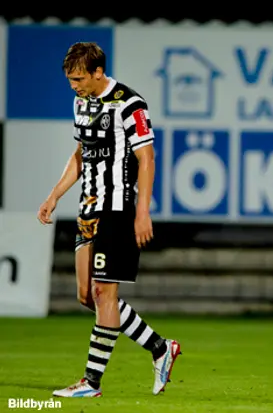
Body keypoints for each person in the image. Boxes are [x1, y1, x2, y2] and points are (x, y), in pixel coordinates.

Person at [37, 42, 182, 398]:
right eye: (70, 79)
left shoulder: (129, 104)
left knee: (104, 293)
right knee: (87, 296)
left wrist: (142, 211)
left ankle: (91, 383)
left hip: (117, 209)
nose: (74, 85)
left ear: (98, 71)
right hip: (88, 209)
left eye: (80, 78)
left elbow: (146, 159)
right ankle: (161, 348)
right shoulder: (81, 102)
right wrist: (55, 194)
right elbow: (80, 154)